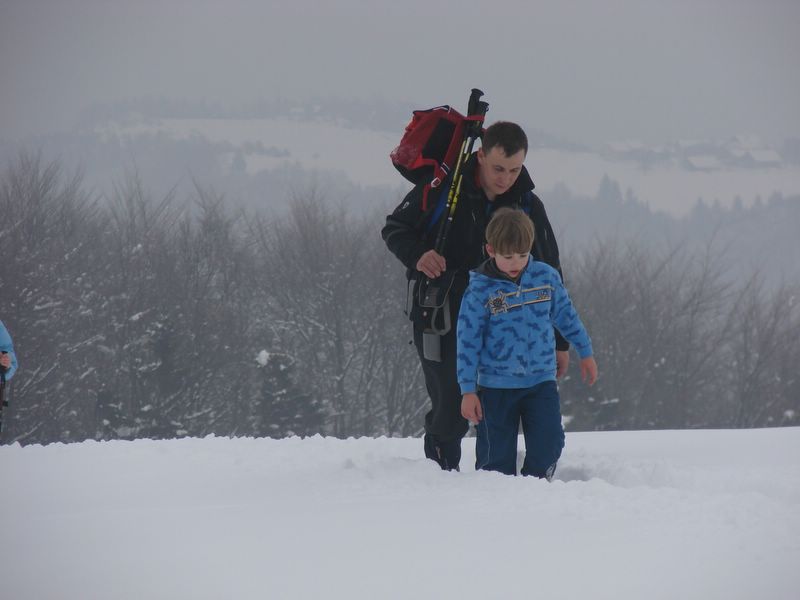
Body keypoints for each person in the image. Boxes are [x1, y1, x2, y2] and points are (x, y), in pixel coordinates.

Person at [382, 121, 570, 471]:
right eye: (498, 168)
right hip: (442, 312)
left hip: (507, 321)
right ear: (480, 155)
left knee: (503, 405)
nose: (506, 179)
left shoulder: (527, 205)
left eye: (515, 170)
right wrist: (419, 255)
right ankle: (441, 476)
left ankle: (509, 480)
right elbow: (395, 229)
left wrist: (560, 341)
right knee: (450, 405)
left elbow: (551, 275)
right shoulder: (443, 189)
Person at [457, 208, 598, 478]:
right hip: (496, 387)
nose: (516, 262)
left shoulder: (545, 278)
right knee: (494, 461)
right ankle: (497, 504)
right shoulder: (479, 290)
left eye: (522, 255)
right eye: (507, 256)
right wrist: (467, 390)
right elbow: (467, 341)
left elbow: (567, 317)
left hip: (540, 382)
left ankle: (535, 489)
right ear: (490, 249)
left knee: (549, 443)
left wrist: (586, 351)